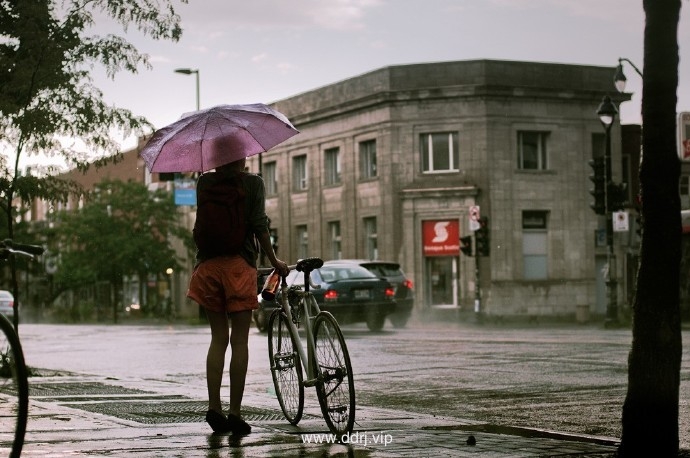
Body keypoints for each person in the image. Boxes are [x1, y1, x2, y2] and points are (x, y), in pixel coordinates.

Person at [187, 157, 288, 434]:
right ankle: (234, 413)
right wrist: (274, 259)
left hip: (207, 268)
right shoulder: (253, 183)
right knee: (239, 340)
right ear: (242, 157)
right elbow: (259, 224)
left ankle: (213, 407)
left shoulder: (205, 181)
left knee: (218, 338)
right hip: (238, 267)